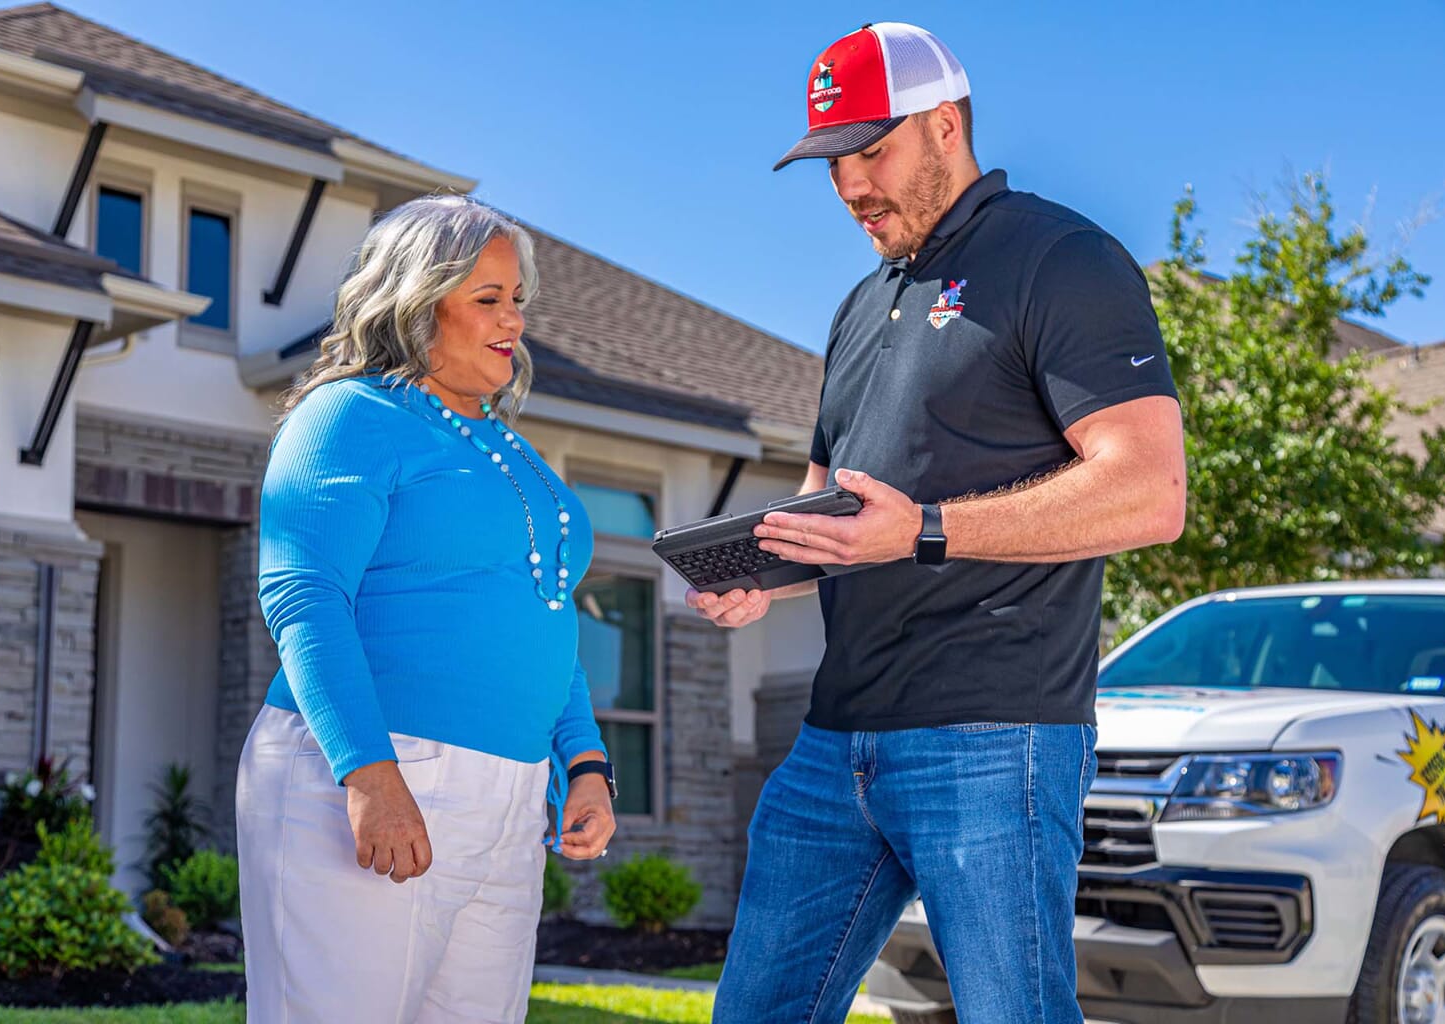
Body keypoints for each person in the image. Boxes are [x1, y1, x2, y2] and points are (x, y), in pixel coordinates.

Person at [696, 22, 1187, 1024]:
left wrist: (923, 527)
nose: (850, 187)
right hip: (836, 741)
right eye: (834, 160)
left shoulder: (1062, 259)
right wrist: (766, 562)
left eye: (872, 151)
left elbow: (1148, 491)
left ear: (946, 124)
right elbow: (834, 498)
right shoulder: (859, 306)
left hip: (992, 735)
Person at [236, 195, 617, 1024]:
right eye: (487, 299)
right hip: (375, 769)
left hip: (512, 796)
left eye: (517, 299)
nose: (512, 319)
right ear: (415, 300)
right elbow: (304, 595)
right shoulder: (348, 415)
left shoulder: (511, 450)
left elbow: (549, 619)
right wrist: (369, 772)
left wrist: (584, 765)